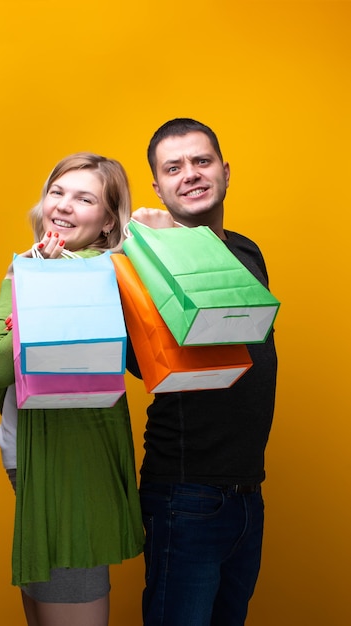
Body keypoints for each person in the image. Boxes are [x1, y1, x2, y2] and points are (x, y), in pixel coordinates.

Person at [0, 153, 145, 626]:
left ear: (107, 220)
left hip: (74, 468)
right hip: (28, 463)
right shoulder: (26, 265)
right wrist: (36, 279)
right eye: (57, 191)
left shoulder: (113, 274)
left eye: (84, 198)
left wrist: (45, 285)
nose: (64, 206)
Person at [128, 118, 278, 626]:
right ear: (158, 187)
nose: (190, 174)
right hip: (186, 492)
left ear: (225, 171)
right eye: (174, 167)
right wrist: (159, 238)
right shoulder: (139, 260)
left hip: (247, 488)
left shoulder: (247, 251)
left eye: (201, 161)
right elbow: (136, 361)